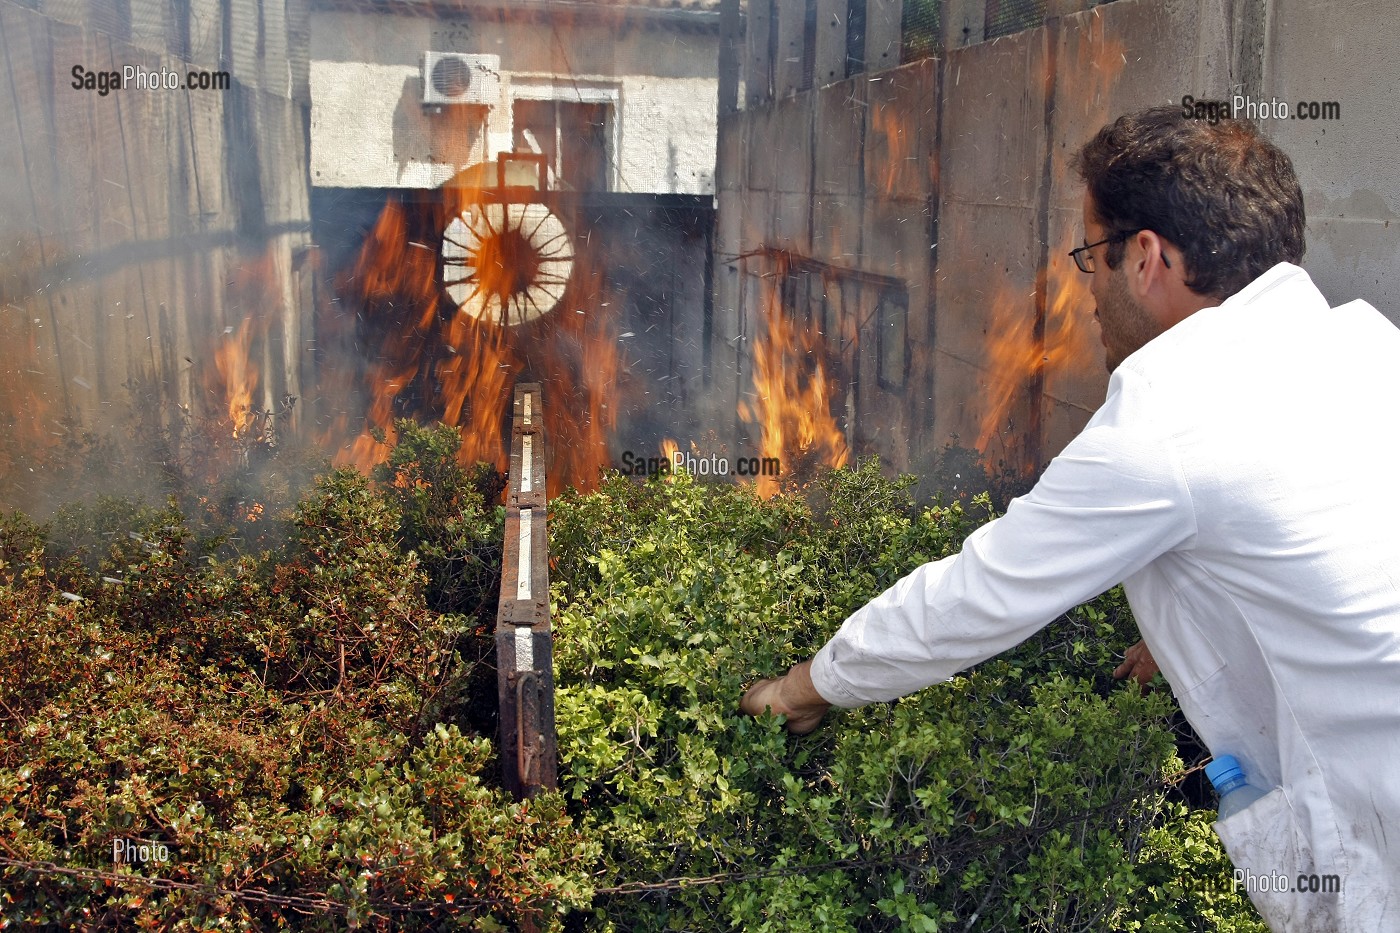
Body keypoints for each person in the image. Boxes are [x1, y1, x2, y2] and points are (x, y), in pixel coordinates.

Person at [740, 106, 1400, 931]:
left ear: (1148, 258)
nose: (1084, 284)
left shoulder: (1169, 416)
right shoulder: (1369, 345)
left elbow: (971, 598)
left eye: (1092, 255)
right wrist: (1186, 628)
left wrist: (805, 687)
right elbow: (1316, 533)